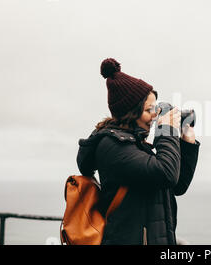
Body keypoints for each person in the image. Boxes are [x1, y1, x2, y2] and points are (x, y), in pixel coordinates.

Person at [76, 58, 200, 245]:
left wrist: (187, 144)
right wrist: (167, 130)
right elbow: (166, 173)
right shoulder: (112, 146)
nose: (155, 114)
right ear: (131, 113)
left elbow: (176, 185)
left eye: (156, 108)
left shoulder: (135, 144)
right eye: (149, 109)